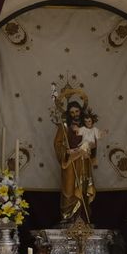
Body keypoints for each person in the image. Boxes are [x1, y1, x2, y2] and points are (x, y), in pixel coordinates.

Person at [53, 90, 99, 222]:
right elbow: (57, 144)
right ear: (68, 113)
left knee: (83, 188)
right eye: (72, 112)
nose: (75, 115)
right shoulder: (64, 127)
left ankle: (82, 218)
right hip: (69, 163)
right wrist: (66, 151)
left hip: (83, 162)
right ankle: (68, 217)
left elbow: (93, 143)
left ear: (81, 111)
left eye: (77, 112)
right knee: (69, 190)